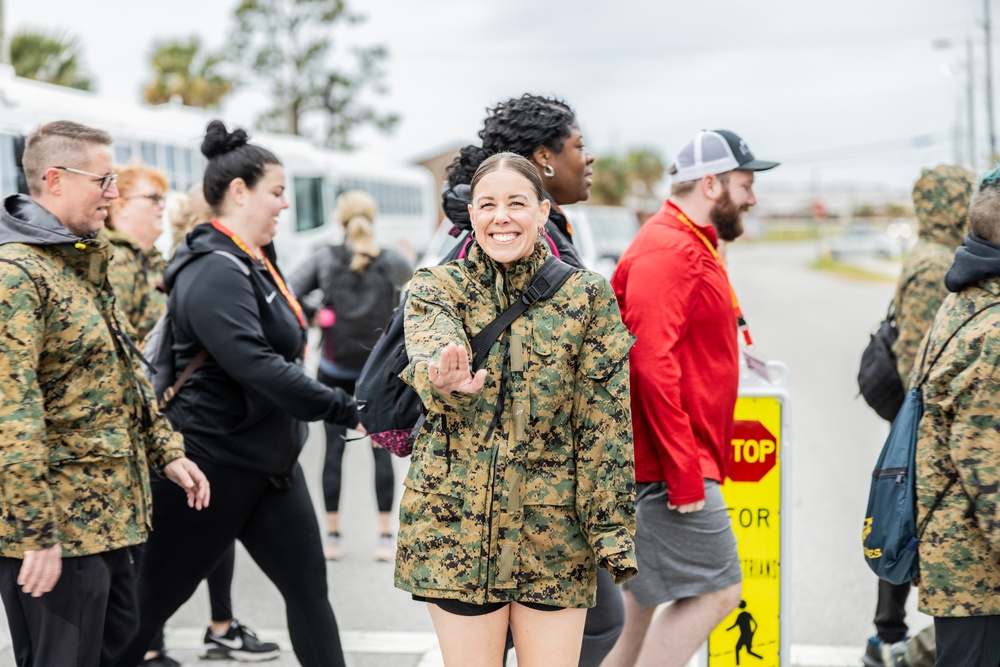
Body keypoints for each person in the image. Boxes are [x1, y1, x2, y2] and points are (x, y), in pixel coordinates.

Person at [114, 120, 363, 667]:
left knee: (310, 597)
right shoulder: (211, 268)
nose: (284, 207)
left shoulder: (258, 261)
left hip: (272, 467)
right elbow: (257, 365)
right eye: (277, 193)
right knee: (146, 610)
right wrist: (345, 407)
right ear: (238, 192)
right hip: (208, 469)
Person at [395, 152, 636, 667]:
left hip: (553, 532)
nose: (500, 216)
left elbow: (605, 425)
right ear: (472, 215)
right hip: (456, 521)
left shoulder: (588, 296)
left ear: (543, 211)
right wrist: (447, 378)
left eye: (516, 203)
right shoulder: (436, 287)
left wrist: (612, 532)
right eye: (487, 204)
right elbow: (430, 351)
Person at [0, 119, 210, 667]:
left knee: (119, 646)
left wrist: (166, 451)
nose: (113, 194)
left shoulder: (80, 263)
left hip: (109, 519)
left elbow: (124, 374)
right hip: (57, 531)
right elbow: (10, 412)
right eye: (103, 180)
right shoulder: (16, 275)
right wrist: (35, 531)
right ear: (55, 180)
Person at [605, 129, 779, 667]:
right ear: (711, 183)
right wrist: (684, 474)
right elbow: (648, 363)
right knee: (718, 591)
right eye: (745, 185)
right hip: (667, 469)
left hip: (665, 463)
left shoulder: (688, 241)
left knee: (641, 603)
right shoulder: (668, 250)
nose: (752, 197)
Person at [861, 164, 974, 667]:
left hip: (919, 417)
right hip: (924, 419)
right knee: (908, 524)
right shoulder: (934, 262)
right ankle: (888, 638)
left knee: (906, 521)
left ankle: (889, 635)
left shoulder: (933, 254)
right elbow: (923, 354)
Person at [289, 189, 413, 562]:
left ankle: (332, 536)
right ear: (372, 219)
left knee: (332, 452)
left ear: (339, 221)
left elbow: (290, 292)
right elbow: (415, 286)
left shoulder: (324, 258)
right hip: (377, 375)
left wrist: (317, 312)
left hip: (333, 369)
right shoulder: (392, 260)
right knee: (382, 451)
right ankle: (385, 536)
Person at [909, 168, 1000, 667]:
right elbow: (990, 473)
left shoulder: (965, 298)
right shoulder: (994, 331)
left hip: (962, 570)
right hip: (979, 578)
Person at [103, 161, 169, 342]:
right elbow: (114, 340)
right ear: (121, 207)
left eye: (163, 198)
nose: (162, 205)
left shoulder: (150, 258)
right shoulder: (117, 260)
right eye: (153, 198)